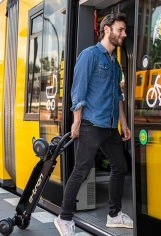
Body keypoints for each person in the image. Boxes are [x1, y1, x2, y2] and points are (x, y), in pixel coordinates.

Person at [54, 12, 133, 236]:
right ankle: (64, 218)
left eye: (124, 30)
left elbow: (118, 96)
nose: (124, 34)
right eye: (120, 30)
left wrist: (124, 125)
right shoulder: (89, 55)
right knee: (81, 170)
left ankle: (114, 215)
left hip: (109, 126)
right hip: (91, 123)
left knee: (120, 166)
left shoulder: (114, 62)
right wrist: (76, 121)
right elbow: (78, 90)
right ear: (107, 29)